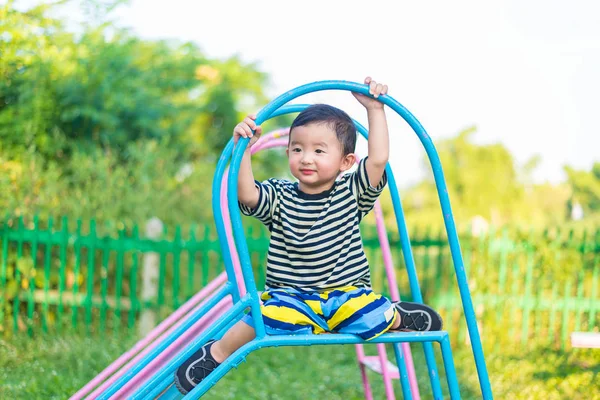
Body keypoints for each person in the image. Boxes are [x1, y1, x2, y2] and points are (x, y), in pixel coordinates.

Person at [174, 77, 443, 395]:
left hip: (346, 292)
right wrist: (243, 149)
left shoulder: (351, 192)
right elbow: (247, 196)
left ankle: (395, 314)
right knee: (261, 319)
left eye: (319, 150)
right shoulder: (279, 195)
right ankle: (215, 353)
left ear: (345, 162)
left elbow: (379, 159)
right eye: (297, 149)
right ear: (288, 152)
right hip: (290, 295)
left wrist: (374, 109)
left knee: (368, 315)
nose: (306, 158)